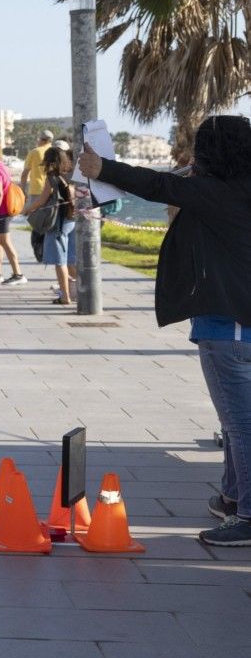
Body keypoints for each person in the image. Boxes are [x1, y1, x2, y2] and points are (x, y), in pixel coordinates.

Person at [81, 116, 251, 545]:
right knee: (235, 422)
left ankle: (248, 514)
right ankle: (232, 497)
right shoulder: (237, 190)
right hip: (235, 326)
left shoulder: (216, 193)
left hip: (226, 329)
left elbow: (159, 186)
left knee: (241, 423)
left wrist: (104, 170)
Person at [23, 145, 76, 305]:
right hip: (72, 219)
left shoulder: (53, 177)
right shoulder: (73, 174)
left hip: (57, 222)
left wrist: (27, 209)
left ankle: (65, 295)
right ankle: (82, 291)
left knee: (60, 261)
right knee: (71, 259)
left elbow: (41, 200)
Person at [0, 140, 27, 286]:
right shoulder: (1, 166)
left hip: (2, 212)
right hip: (3, 210)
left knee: (4, 242)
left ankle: (18, 274)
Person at [22, 130, 53, 263]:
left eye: (39, 138)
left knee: (36, 222)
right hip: (51, 190)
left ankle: (39, 252)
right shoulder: (54, 151)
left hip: (36, 190)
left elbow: (25, 173)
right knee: (49, 221)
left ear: (42, 139)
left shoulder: (35, 152)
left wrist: (22, 191)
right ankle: (49, 250)